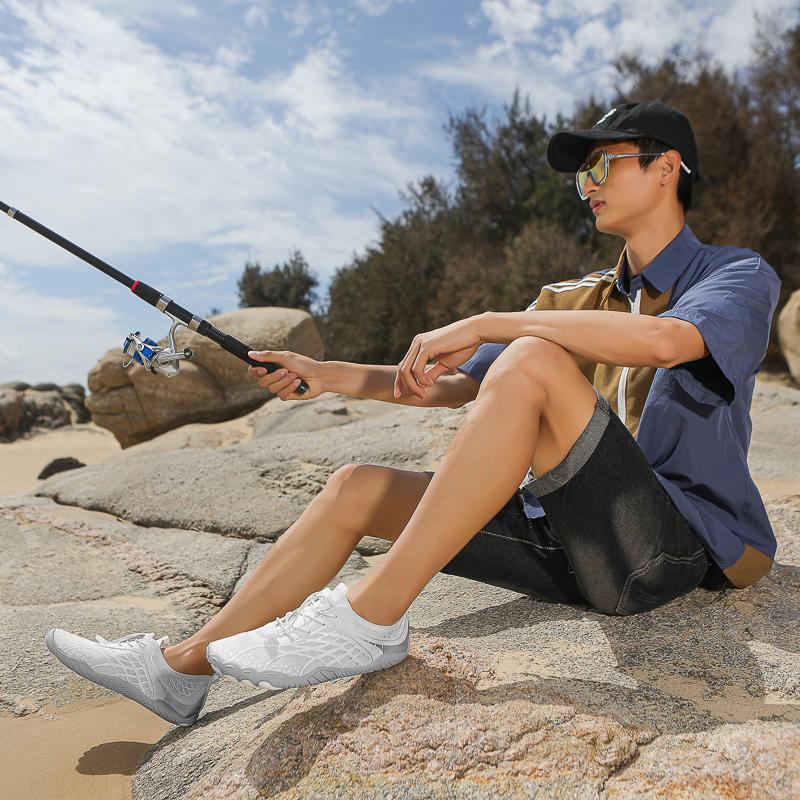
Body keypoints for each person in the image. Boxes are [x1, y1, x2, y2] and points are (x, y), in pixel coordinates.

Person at [45, 99, 782, 728]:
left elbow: (668, 340)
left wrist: (497, 322)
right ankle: (182, 669)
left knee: (529, 357)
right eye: (578, 175)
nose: (583, 185)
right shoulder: (571, 298)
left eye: (601, 165)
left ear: (667, 167)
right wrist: (322, 374)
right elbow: (448, 387)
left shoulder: (737, 275)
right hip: (575, 541)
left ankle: (370, 616)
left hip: (674, 554)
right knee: (354, 488)